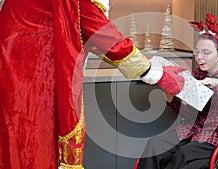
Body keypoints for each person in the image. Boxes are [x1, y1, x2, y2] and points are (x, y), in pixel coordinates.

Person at [0, 0, 186, 169]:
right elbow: (103, 35)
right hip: (34, 81)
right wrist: (157, 74)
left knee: (15, 143)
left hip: (15, 72)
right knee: (32, 146)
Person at [137, 14, 218, 169]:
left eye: (206, 53)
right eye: (197, 52)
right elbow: (189, 113)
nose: (199, 58)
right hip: (192, 129)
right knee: (154, 146)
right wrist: (173, 101)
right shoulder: (198, 74)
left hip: (217, 135)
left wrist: (217, 86)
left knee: (184, 156)